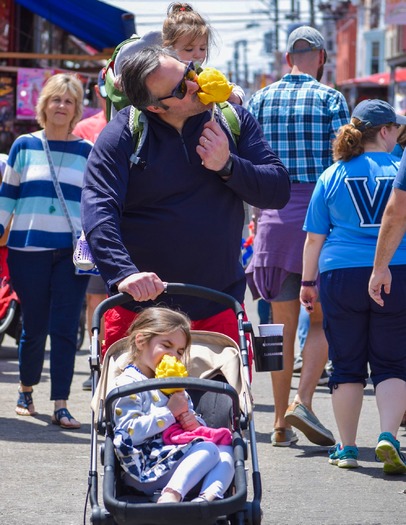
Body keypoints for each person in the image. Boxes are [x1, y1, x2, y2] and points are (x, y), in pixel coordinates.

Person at [81, 45, 290, 357]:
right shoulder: (123, 134)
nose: (194, 85)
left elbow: (277, 190)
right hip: (140, 313)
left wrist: (228, 165)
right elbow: (98, 209)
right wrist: (124, 273)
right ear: (154, 107)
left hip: (217, 305)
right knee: (135, 406)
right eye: (180, 88)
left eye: (191, 72)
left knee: (223, 406)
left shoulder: (231, 120)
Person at [245, 26, 350, 447]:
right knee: (320, 320)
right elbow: (344, 163)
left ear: (287, 58)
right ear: (321, 57)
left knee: (279, 328)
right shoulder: (331, 99)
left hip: (271, 218)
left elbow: (246, 162)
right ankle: (301, 401)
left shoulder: (260, 99)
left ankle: (279, 425)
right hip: (319, 219)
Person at [301, 99, 406, 472]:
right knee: (393, 360)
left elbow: (314, 238)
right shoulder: (399, 168)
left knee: (345, 362)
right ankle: (388, 436)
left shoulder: (332, 174)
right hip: (396, 270)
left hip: (339, 274)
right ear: (384, 130)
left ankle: (346, 448)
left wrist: (307, 282)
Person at [0, 73, 92, 428]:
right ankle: (26, 389)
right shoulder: (25, 145)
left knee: (66, 328)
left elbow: (93, 202)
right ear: (43, 105)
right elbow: (7, 195)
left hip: (71, 254)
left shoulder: (86, 151)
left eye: (69, 101)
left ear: (76, 110)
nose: (61, 106)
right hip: (28, 249)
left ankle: (61, 403)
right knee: (35, 326)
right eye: (55, 99)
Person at [113, 306, 235, 502]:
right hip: (144, 467)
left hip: (178, 458)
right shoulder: (129, 384)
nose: (173, 356)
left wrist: (194, 424)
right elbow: (128, 434)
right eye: (166, 345)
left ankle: (207, 499)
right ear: (141, 340)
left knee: (226, 448)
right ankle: (171, 495)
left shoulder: (175, 386)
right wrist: (169, 413)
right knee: (209, 450)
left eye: (179, 351)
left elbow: (192, 428)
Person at [73, 70, 108, 390]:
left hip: (133, 223)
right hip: (95, 224)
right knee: (95, 298)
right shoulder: (85, 128)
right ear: (99, 90)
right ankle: (94, 363)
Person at [162, 2, 244, 104]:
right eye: (189, 49)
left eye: (202, 49)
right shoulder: (160, 78)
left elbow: (233, 88)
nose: (197, 54)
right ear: (168, 48)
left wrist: (234, 96)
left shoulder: (202, 74)